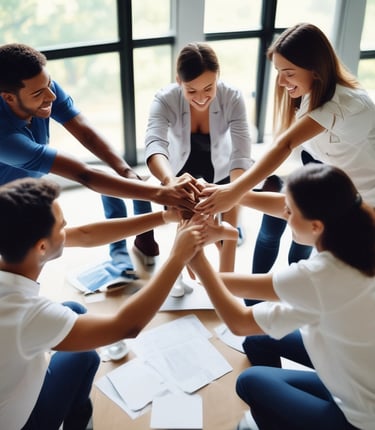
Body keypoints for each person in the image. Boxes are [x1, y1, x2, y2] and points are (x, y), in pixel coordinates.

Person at [0, 176, 238, 430]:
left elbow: (85, 234)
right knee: (86, 355)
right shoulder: (24, 314)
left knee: (75, 311)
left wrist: (164, 218)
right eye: (62, 225)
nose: (68, 227)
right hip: (18, 422)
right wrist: (177, 257)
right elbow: (127, 326)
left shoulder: (13, 246)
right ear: (42, 247)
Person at [189, 163, 375, 430]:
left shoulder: (319, 276)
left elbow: (238, 320)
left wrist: (194, 257)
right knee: (257, 340)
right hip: (360, 365)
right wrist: (226, 195)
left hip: (360, 418)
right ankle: (282, 412)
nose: (283, 214)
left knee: (249, 381)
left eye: (290, 211)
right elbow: (241, 288)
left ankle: (277, 419)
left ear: (316, 226)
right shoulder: (358, 222)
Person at [0, 43, 200, 278]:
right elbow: (84, 174)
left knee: (79, 225)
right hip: (8, 206)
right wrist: (159, 193)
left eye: (49, 84)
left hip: (26, 188)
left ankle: (122, 253)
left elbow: (86, 133)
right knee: (39, 257)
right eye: (38, 93)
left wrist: (125, 171)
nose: (51, 95)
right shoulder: (5, 137)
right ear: (8, 98)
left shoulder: (41, 88)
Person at [197, 22, 375, 283]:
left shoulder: (347, 104)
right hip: (342, 202)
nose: (280, 82)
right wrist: (228, 194)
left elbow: (285, 144)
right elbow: (290, 204)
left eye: (288, 73)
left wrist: (233, 192)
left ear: (315, 69)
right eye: (279, 72)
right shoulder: (310, 99)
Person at [145, 41, 252, 294]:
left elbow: (241, 153)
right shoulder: (164, 98)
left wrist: (233, 191)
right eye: (191, 91)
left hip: (222, 163)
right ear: (178, 81)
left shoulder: (233, 97)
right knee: (188, 217)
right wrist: (170, 182)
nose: (201, 98)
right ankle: (186, 275)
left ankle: (227, 282)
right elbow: (154, 144)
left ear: (218, 78)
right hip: (182, 164)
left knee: (229, 212)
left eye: (209, 88)